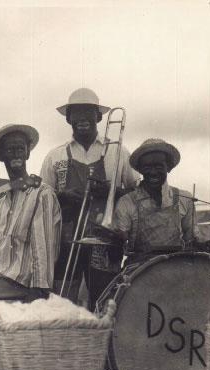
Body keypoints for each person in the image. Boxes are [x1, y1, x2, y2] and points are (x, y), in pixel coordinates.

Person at [40, 88, 137, 307]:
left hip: (106, 238)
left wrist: (112, 192)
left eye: (88, 112)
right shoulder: (54, 155)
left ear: (99, 116)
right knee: (63, 301)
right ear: (68, 118)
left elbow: (135, 194)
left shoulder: (119, 151)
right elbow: (41, 198)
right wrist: (62, 196)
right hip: (65, 240)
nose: (82, 118)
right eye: (76, 112)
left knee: (104, 299)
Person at [0, 124, 62, 301]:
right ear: (1, 156)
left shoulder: (41, 194)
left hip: (23, 285)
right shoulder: (1, 204)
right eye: (10, 150)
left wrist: (40, 290)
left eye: (20, 149)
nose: (16, 154)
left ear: (27, 154)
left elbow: (43, 246)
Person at [112, 138, 210, 265]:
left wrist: (204, 246)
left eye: (158, 166)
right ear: (139, 170)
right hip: (138, 271)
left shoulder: (185, 199)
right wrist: (118, 239)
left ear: (168, 167)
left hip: (177, 267)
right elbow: (118, 243)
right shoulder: (127, 202)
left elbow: (191, 241)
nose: (153, 172)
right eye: (147, 167)